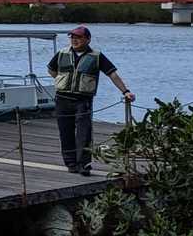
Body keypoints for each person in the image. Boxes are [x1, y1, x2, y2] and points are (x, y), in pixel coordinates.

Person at [47, 26, 134, 175]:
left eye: (78, 37)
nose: (74, 40)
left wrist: (125, 91)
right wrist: (63, 81)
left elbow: (112, 74)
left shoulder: (96, 56)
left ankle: (84, 165)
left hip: (83, 100)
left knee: (84, 133)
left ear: (88, 39)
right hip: (62, 99)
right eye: (72, 37)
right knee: (65, 133)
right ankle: (71, 163)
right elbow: (51, 70)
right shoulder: (62, 53)